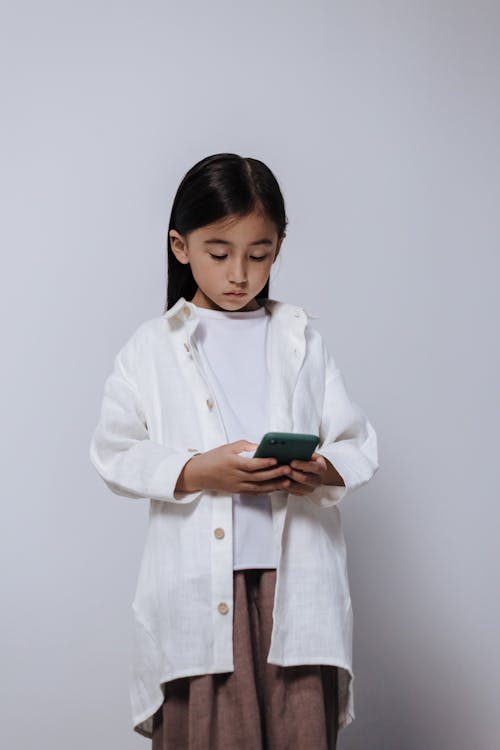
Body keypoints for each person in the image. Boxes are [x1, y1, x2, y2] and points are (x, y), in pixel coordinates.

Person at [89, 152, 379, 750]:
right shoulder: (149, 349)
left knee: (297, 728)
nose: (240, 274)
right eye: (219, 254)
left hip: (291, 589)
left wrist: (317, 470)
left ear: (280, 247)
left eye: (260, 253)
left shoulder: (301, 338)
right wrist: (196, 471)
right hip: (198, 590)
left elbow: (355, 441)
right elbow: (114, 450)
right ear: (180, 245)